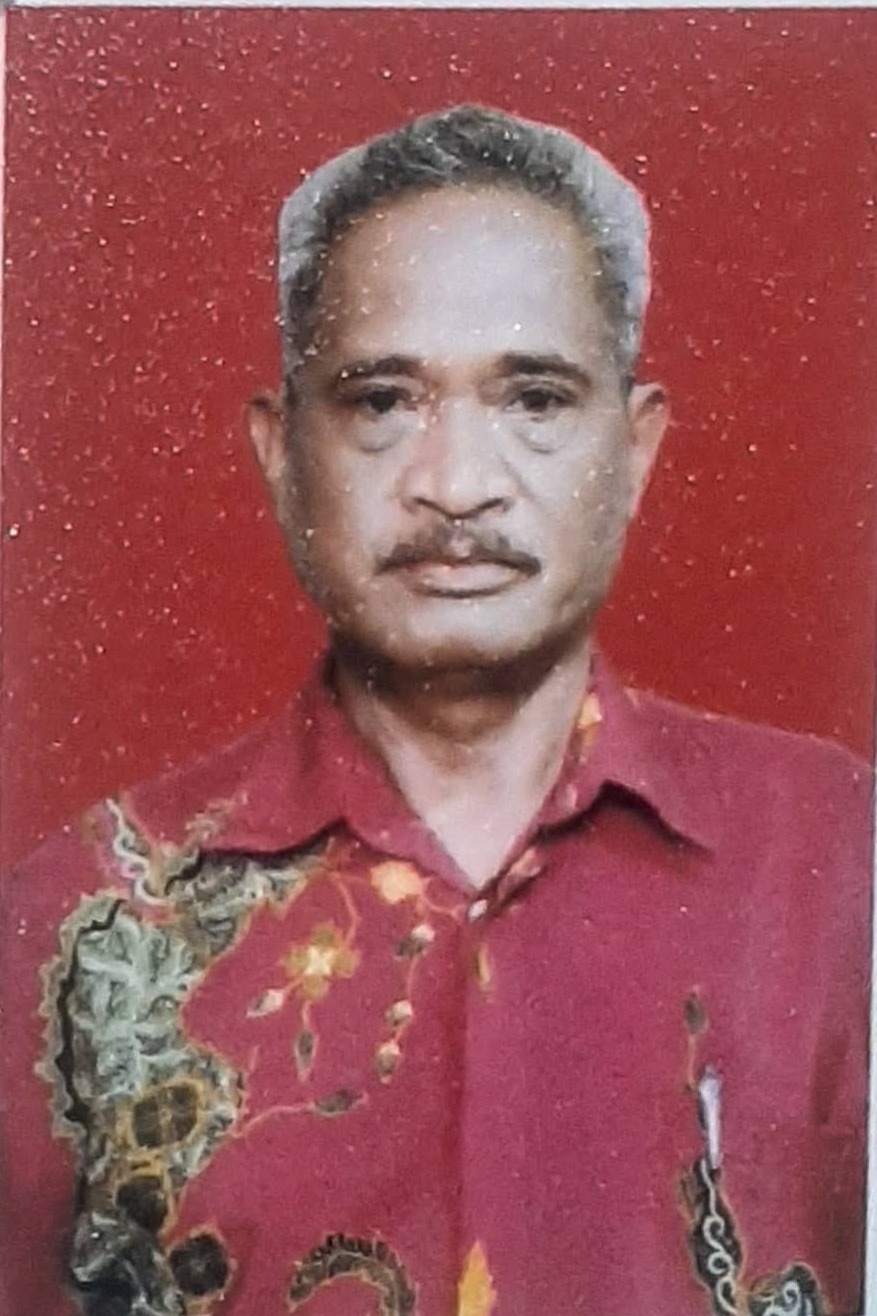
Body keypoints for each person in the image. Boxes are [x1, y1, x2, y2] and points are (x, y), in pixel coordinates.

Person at [0, 105, 871, 1316]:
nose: (456, 485)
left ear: (634, 449)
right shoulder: (72, 922)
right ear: (279, 452)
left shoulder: (839, 858)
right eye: (381, 401)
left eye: (534, 398)